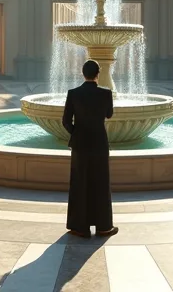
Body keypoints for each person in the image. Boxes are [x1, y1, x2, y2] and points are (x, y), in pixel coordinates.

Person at [62, 59, 116, 238]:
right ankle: (104, 227)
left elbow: (65, 121)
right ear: (98, 74)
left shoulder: (73, 93)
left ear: (82, 73)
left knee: (80, 182)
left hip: (80, 144)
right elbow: (109, 114)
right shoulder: (106, 94)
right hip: (99, 142)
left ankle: (80, 227)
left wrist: (76, 133)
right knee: (101, 182)